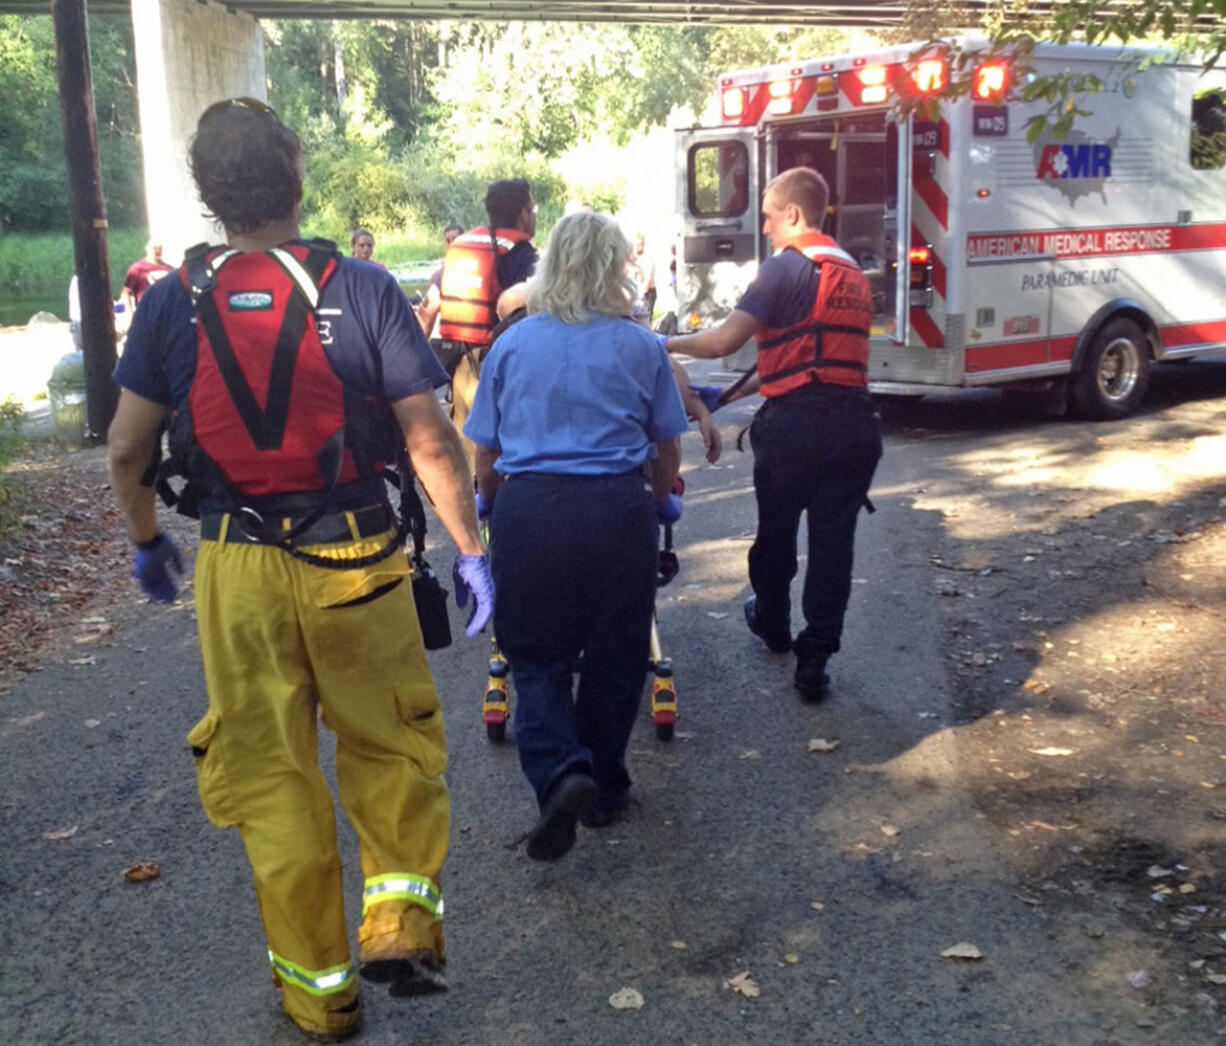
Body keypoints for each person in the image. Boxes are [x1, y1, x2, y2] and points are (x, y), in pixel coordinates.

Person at [106, 97, 493, 1042]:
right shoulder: (359, 288)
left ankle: (321, 999)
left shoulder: (168, 301)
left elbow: (126, 448)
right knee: (391, 747)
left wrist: (149, 540)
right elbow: (431, 443)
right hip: (356, 556)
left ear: (207, 193)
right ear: (297, 177)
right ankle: (399, 922)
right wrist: (475, 552)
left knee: (271, 779)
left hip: (235, 565)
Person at [464, 211, 689, 860]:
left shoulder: (511, 345)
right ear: (616, 265)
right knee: (617, 654)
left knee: (535, 657)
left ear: (550, 265)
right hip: (616, 513)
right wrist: (656, 500)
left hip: (531, 511)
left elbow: (486, 453)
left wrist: (488, 507)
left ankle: (562, 771)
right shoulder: (640, 346)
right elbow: (665, 450)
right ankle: (607, 787)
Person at [666, 167, 882, 703]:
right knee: (834, 545)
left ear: (793, 214)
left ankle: (772, 621)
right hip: (854, 425)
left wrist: (658, 342)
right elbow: (810, 354)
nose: (763, 227)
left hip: (795, 429)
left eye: (767, 216)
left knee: (777, 534)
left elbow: (722, 342)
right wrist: (733, 397)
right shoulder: (853, 274)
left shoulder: (782, 270)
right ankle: (815, 660)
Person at [436, 180, 538, 470]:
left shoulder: (463, 246)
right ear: (523, 213)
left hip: (461, 368)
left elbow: (432, 301)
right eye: (532, 208)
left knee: (471, 460)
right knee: (506, 457)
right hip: (502, 368)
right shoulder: (521, 254)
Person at [414, 220, 465, 347]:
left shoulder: (479, 265)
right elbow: (429, 310)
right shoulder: (439, 274)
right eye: (448, 241)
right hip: (451, 337)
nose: (452, 243)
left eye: (455, 239)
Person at [120, 240, 173, 316]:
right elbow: (126, 292)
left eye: (160, 248)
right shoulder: (137, 268)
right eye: (154, 248)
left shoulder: (170, 270)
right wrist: (129, 313)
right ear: (147, 249)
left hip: (166, 314)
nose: (157, 251)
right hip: (146, 313)